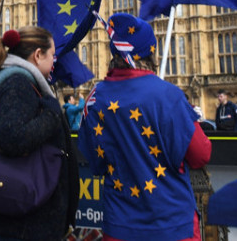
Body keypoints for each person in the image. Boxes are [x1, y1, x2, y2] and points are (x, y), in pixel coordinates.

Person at [79, 13, 211, 241]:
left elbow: (95, 162)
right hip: (172, 225)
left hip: (120, 225)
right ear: (150, 52)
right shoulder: (169, 95)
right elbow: (200, 155)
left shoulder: (94, 99)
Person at [0, 26, 77, 240]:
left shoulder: (22, 81)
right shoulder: (18, 83)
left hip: (22, 223)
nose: (54, 61)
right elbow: (11, 137)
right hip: (18, 227)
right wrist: (52, 114)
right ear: (38, 55)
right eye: (52, 55)